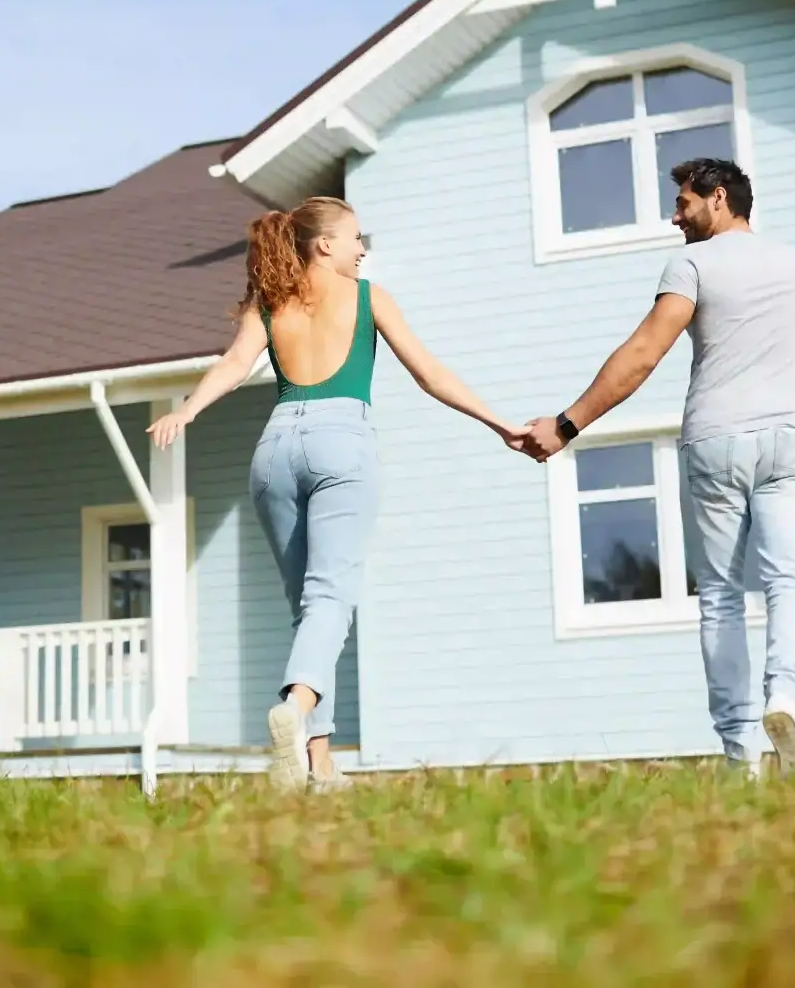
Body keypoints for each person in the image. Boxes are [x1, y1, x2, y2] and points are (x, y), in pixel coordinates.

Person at [150, 196, 524, 791]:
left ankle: (320, 766)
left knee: (308, 607)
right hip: (340, 440)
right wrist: (499, 422)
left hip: (273, 449)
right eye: (355, 238)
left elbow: (235, 362)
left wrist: (188, 409)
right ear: (325, 244)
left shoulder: (270, 301)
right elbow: (430, 374)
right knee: (330, 599)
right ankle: (295, 709)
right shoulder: (369, 297)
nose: (362, 249)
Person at [519, 157, 795, 777]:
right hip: (793, 439)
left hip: (717, 438)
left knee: (721, 596)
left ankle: (739, 751)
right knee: (790, 582)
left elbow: (643, 353)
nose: (675, 217)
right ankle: (789, 699)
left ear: (719, 199)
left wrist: (566, 426)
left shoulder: (693, 265)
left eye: (684, 204)